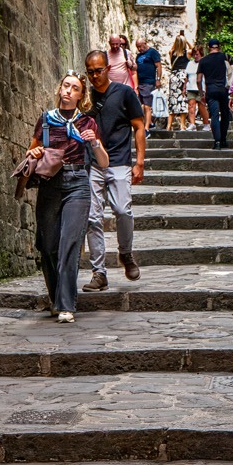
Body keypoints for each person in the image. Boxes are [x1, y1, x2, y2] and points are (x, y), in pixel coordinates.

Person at [22, 72, 109, 320]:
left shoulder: (87, 123)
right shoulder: (46, 120)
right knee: (48, 247)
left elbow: (103, 162)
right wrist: (36, 151)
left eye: (75, 88)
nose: (69, 91)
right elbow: (31, 151)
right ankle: (55, 298)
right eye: (66, 86)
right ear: (60, 89)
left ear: (82, 96)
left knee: (69, 244)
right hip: (50, 184)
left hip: (77, 184)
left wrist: (94, 144)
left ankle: (67, 305)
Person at [83, 47, 145, 288]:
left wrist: (139, 162)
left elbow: (139, 127)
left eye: (99, 70)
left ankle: (126, 253)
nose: (95, 76)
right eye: (90, 72)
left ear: (108, 68)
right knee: (92, 218)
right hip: (92, 165)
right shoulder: (86, 98)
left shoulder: (125, 93)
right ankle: (99, 272)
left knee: (122, 210)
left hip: (119, 160)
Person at [199, 39, 231, 145]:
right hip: (223, 90)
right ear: (219, 47)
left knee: (214, 115)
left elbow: (198, 80)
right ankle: (223, 139)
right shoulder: (225, 57)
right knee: (225, 114)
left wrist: (201, 93)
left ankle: (217, 141)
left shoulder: (203, 60)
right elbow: (232, 71)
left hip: (211, 90)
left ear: (209, 48)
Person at [134, 34, 163, 118]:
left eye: (140, 46)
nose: (139, 49)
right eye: (137, 47)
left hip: (148, 82)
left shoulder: (152, 52)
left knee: (147, 105)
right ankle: (147, 123)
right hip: (140, 83)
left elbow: (158, 66)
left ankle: (146, 127)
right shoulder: (138, 56)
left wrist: (158, 79)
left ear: (145, 43)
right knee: (140, 105)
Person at [184, 41, 204, 129]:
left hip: (201, 88)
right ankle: (192, 123)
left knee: (201, 106)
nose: (196, 56)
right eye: (194, 54)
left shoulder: (203, 63)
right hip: (191, 87)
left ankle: (206, 123)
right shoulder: (190, 63)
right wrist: (184, 87)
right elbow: (186, 76)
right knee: (191, 106)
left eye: (198, 54)